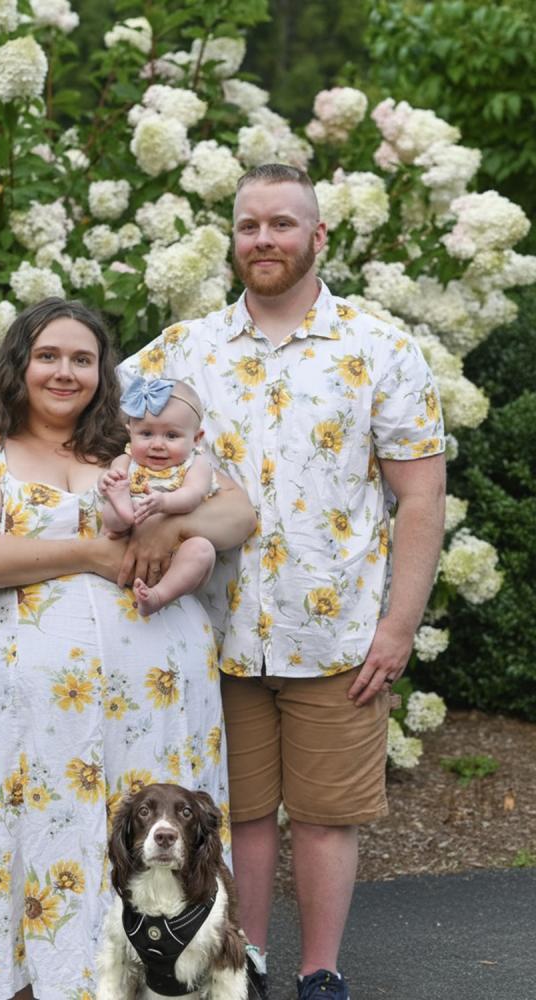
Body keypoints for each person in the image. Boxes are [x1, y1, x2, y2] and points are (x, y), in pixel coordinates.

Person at [118, 163, 446, 1000]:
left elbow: (421, 496)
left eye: (282, 224)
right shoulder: (183, 351)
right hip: (213, 630)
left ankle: (320, 971)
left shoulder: (379, 348)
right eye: (249, 226)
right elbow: (77, 410)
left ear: (317, 235)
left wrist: (398, 626)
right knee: (240, 814)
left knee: (329, 815)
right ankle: (248, 964)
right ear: (233, 239)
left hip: (335, 632)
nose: (263, 239)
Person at [0, 297, 255, 1000]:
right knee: (34, 833)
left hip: (153, 707)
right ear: (18, 363)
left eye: (83, 358)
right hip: (26, 715)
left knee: (153, 841)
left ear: (104, 372)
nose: (65, 372)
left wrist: (172, 526)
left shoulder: (134, 444)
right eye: (48, 356)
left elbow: (237, 512)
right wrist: (92, 554)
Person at [99, 376, 218, 616]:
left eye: (171, 436)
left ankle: (158, 596)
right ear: (130, 433)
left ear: (196, 438)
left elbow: (193, 495)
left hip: (174, 553)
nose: (157, 444)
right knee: (111, 507)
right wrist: (108, 482)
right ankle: (124, 511)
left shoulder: (196, 465)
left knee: (203, 550)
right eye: (146, 434)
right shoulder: (125, 460)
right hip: (123, 541)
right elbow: (109, 479)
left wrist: (164, 502)